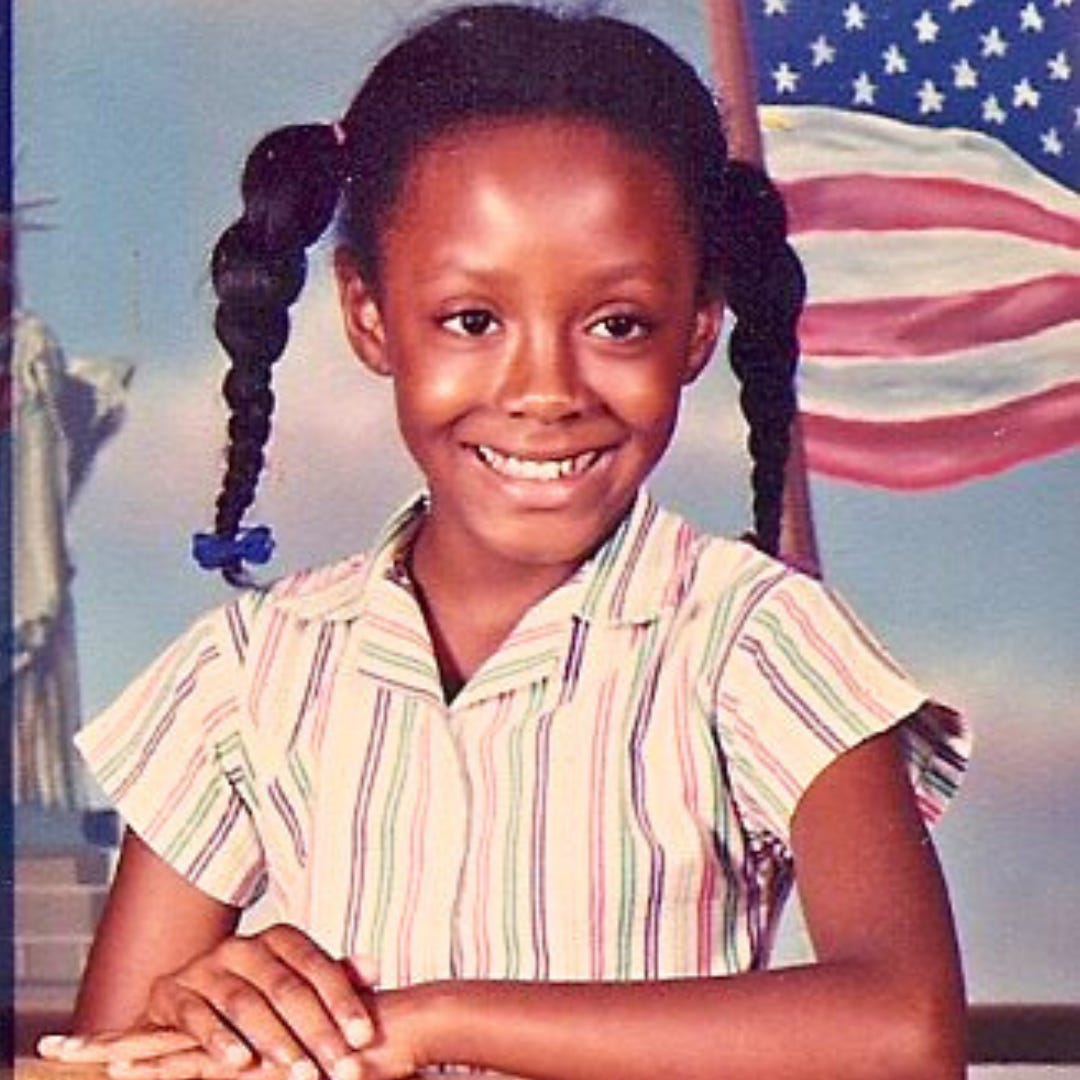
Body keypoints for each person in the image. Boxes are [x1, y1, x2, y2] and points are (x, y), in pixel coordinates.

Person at [38, 4, 971, 1078]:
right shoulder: (248, 674)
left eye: (616, 323)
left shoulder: (753, 642)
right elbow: (101, 1065)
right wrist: (217, 1005)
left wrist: (428, 1020)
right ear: (372, 316)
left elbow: (907, 1034)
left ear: (698, 329)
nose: (544, 393)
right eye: (472, 320)